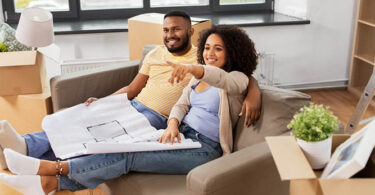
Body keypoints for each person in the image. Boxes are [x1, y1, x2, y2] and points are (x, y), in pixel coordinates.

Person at [0, 24, 258, 195]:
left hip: (205, 150)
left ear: (232, 52)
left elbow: (222, 78)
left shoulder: (237, 79)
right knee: (119, 145)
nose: (210, 53)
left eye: (218, 48)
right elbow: (181, 104)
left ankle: (52, 169)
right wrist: (172, 124)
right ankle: (46, 183)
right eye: (208, 48)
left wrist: (195, 68)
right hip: (180, 135)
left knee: (129, 156)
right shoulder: (197, 78)